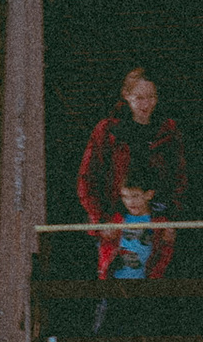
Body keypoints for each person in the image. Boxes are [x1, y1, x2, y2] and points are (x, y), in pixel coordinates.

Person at [77, 65, 186, 284]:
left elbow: (179, 180)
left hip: (155, 223)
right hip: (114, 225)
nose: (146, 105)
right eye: (139, 97)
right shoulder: (107, 131)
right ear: (126, 96)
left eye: (152, 97)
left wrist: (172, 221)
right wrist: (100, 220)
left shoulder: (168, 131)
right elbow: (86, 179)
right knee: (110, 289)